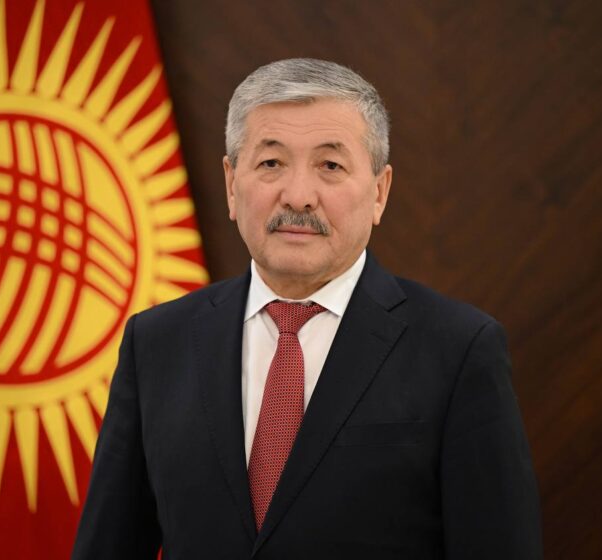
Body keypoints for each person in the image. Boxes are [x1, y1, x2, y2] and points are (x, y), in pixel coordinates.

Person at [72, 58, 542, 559]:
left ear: (379, 192)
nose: (297, 197)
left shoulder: (459, 350)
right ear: (231, 184)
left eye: (330, 166)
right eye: (271, 163)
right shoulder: (156, 343)